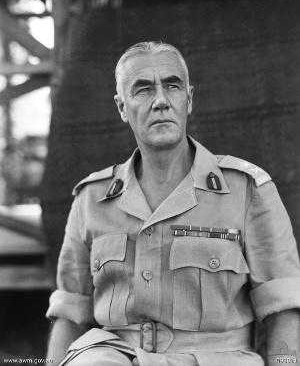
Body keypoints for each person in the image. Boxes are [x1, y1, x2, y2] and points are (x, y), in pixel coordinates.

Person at [46, 41, 300, 366]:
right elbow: (70, 311)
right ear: (122, 107)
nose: (161, 101)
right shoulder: (92, 199)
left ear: (189, 99)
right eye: (143, 90)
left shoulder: (247, 190)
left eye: (172, 86)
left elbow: (283, 309)